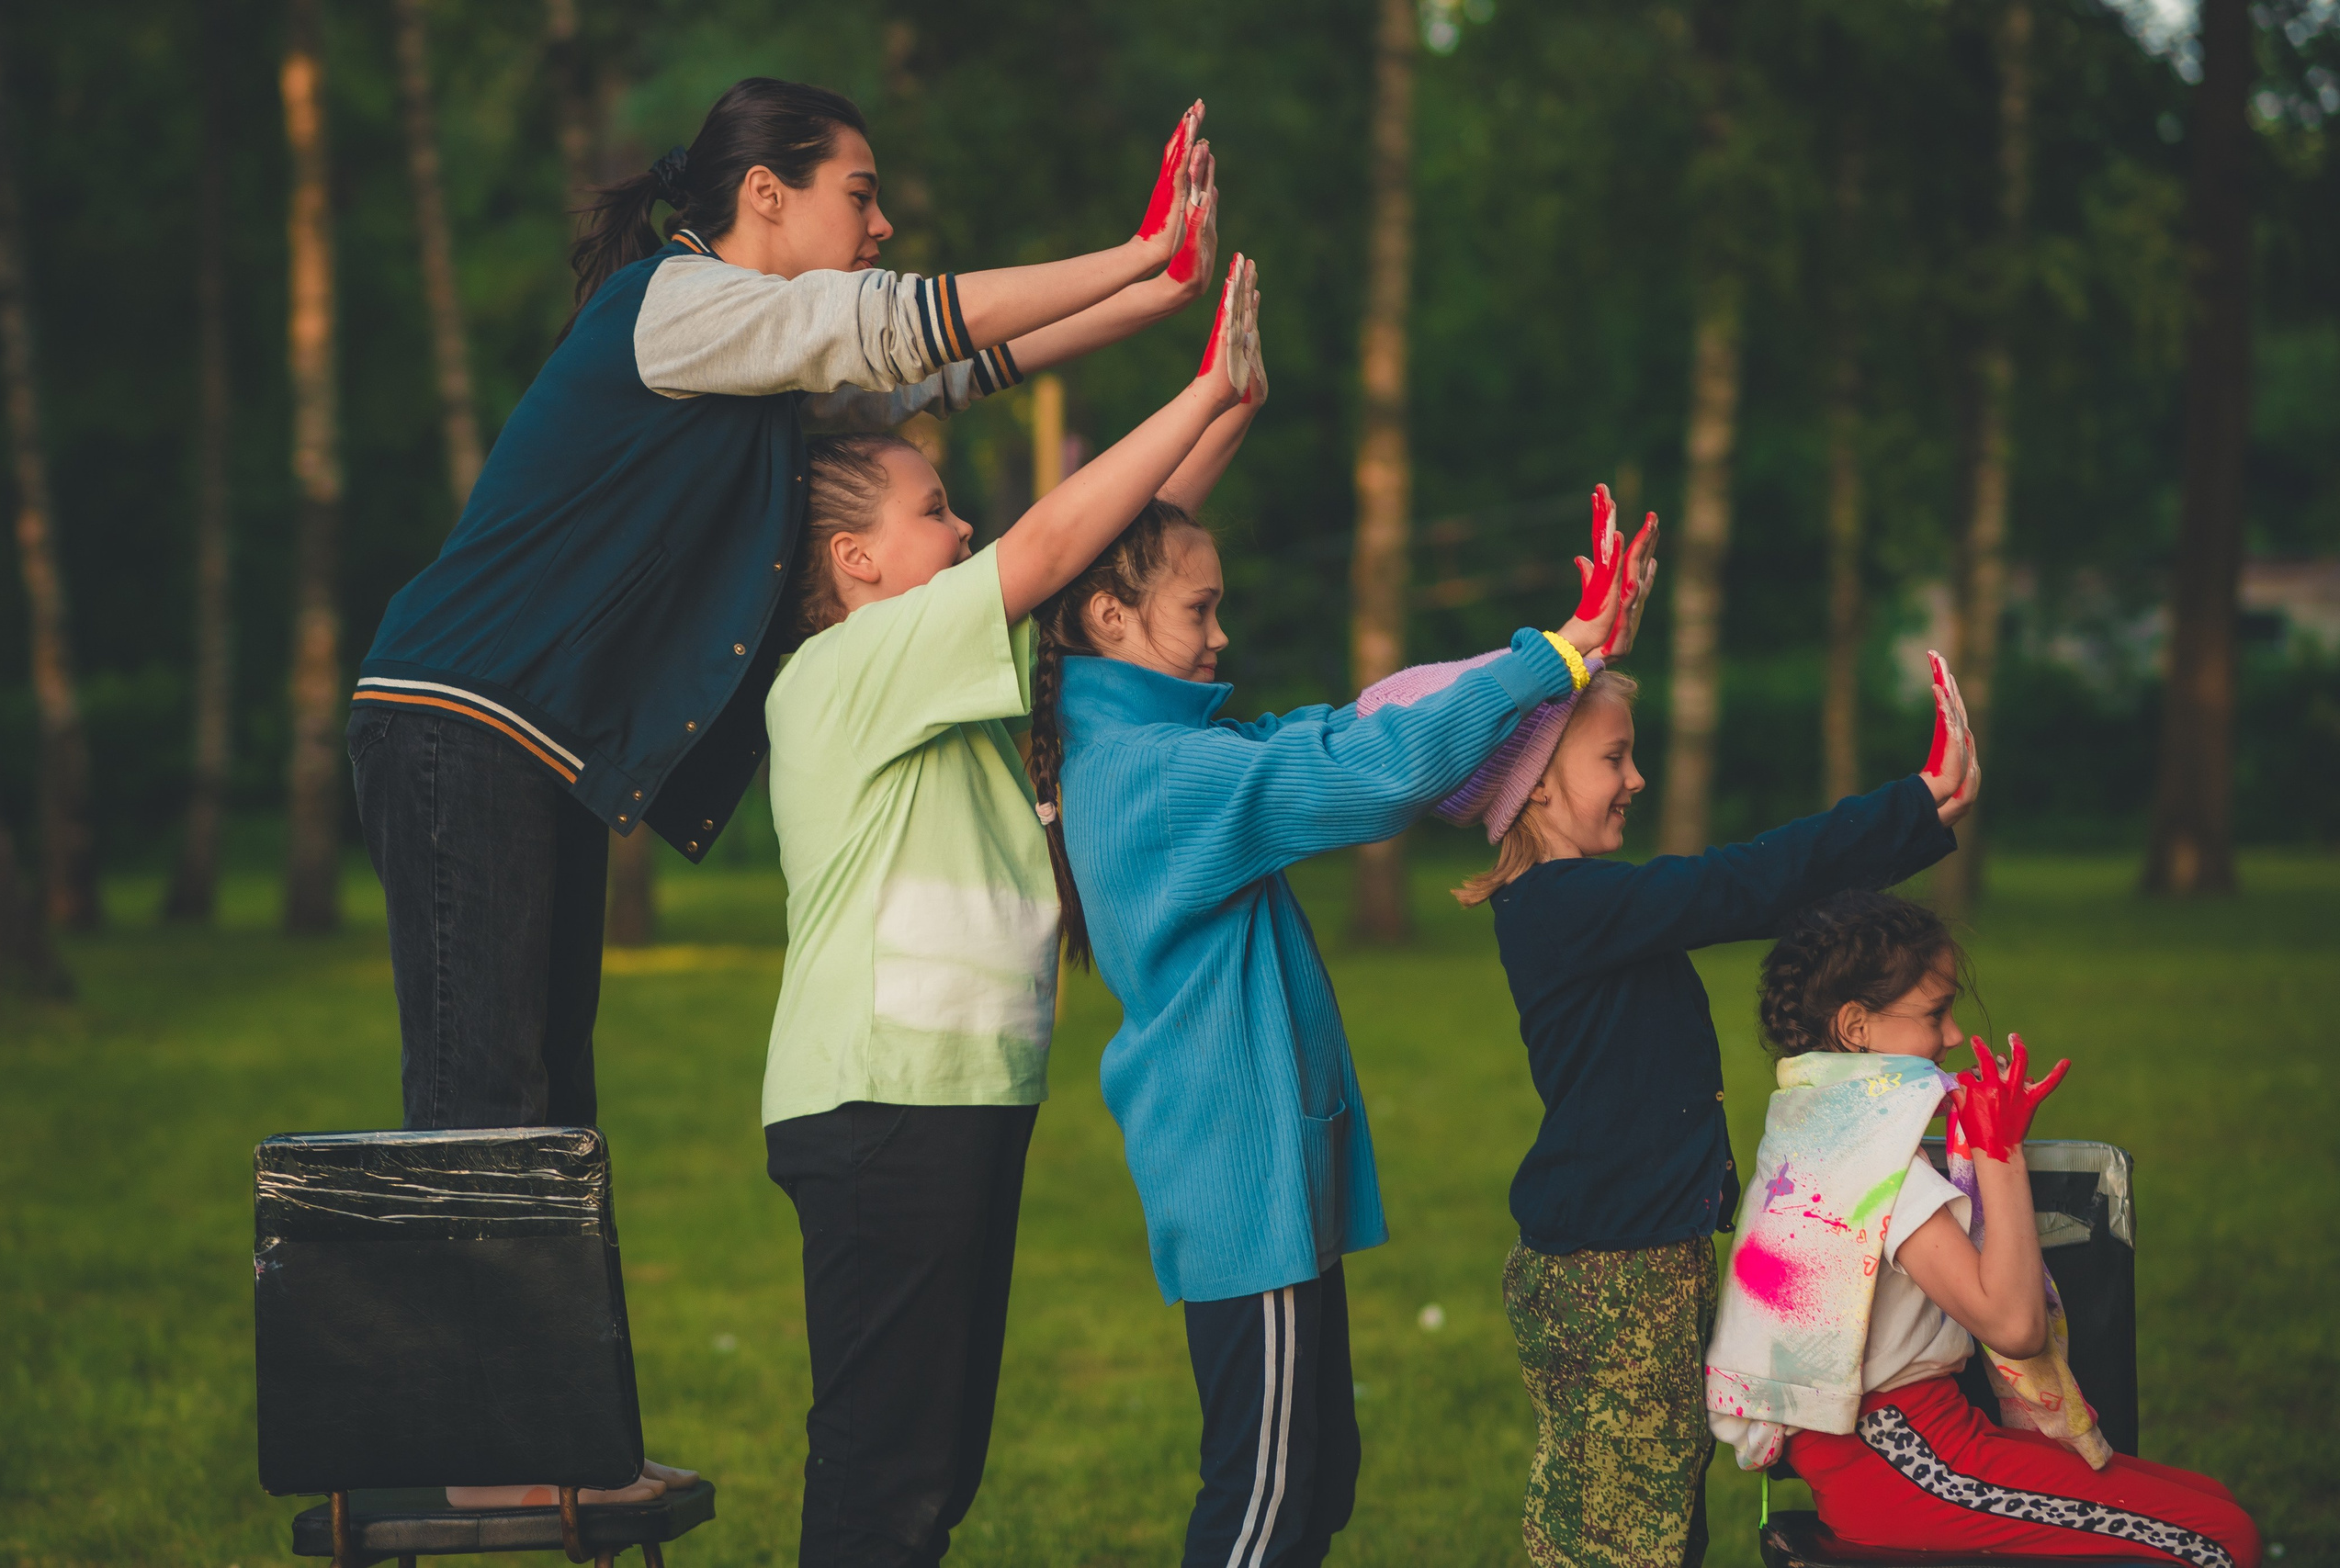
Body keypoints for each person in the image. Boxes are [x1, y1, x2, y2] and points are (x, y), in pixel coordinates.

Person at [348, 77, 1217, 1137]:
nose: (880, 225)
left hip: (527, 736)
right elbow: (899, 326)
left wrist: (1157, 294)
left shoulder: (755, 363)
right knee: (483, 1109)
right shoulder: (678, 305)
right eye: (858, 195)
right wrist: (1134, 252)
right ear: (766, 192)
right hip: (460, 716)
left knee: (546, 1111)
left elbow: (937, 374)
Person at [1023, 479, 1651, 1567]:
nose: (1221, 634)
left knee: (1314, 1479)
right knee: (1264, 1504)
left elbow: (1359, 720)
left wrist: (1566, 652)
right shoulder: (1160, 774)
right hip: (1244, 1182)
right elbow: (1368, 770)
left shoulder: (1158, 751)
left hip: (1264, 1174)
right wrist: (1551, 658)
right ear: (1108, 616)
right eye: (1199, 609)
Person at [757, 255, 1261, 1567]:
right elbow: (1050, 548)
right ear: (855, 560)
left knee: (933, 1464)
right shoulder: (847, 666)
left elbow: (1113, 565)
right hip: (881, 1100)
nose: (965, 525)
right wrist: (1196, 388)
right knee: (886, 1470)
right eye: (935, 510)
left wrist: (1225, 408)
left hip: (953, 1096)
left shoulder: (933, 666)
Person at [1461, 642, 1979, 1568]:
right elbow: (1737, 885)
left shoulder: (1581, 905)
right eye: (1613, 757)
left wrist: (1915, 821)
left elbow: (1752, 895)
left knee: (1647, 1515)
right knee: (1625, 1536)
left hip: (1638, 1254)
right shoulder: (1562, 904)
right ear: (1536, 784)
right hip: (1615, 1273)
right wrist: (1909, 804)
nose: (1636, 777)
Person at [1710, 891, 2261, 1567]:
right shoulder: (1876, 1171)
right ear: (1856, 1028)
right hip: (1904, 1465)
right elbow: (2015, 1325)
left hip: (1904, 1450)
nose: (1951, 1035)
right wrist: (1999, 1152)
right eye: (1934, 1013)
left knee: (2215, 1504)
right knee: (2220, 1540)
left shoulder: (1815, 1131)